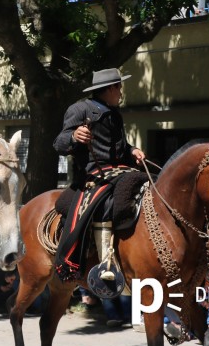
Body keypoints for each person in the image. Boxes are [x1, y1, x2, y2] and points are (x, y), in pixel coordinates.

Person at [53, 68, 145, 280]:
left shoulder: (115, 113)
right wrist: (75, 136)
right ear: (111, 88)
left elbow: (121, 148)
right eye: (119, 88)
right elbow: (59, 142)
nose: (121, 92)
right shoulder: (79, 109)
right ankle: (105, 263)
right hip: (93, 174)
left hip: (121, 170)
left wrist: (132, 151)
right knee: (106, 204)